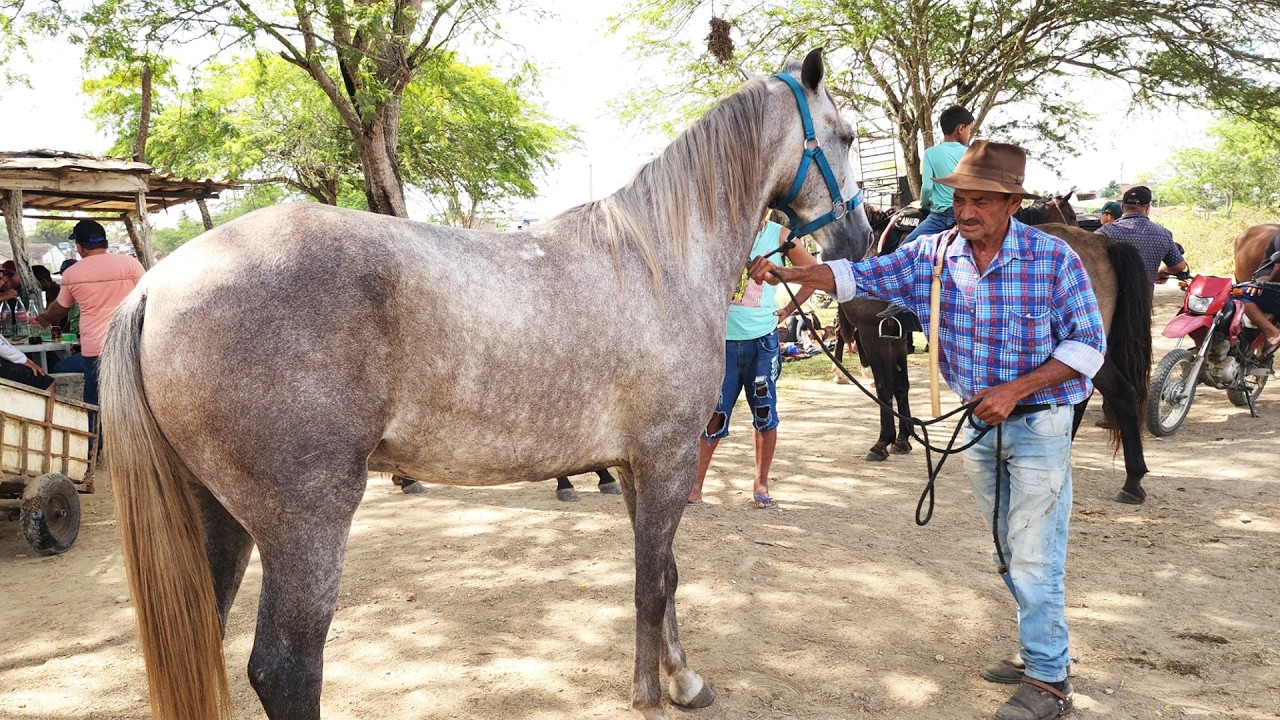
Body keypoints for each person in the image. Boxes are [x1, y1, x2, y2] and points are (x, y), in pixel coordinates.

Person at [750, 141, 1105, 720]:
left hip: (1039, 423)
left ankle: (1048, 679)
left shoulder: (1053, 259)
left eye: (981, 202)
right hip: (978, 427)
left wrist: (1015, 389)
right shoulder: (935, 255)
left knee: (1036, 552)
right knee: (1004, 547)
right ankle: (1039, 645)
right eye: (961, 199)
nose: (967, 212)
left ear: (1011, 203)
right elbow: (860, 273)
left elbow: (1089, 347)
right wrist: (791, 271)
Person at [686, 215, 819, 510]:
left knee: (763, 410)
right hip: (721, 343)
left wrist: (787, 310)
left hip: (762, 342)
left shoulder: (780, 236)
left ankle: (761, 483)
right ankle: (695, 486)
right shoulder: (722, 228)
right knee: (715, 413)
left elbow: (812, 273)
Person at [35, 220, 146, 426]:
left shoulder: (73, 273)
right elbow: (147, 296)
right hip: (133, 343)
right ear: (104, 242)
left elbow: (61, 308)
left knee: (95, 402)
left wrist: (44, 319)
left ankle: (93, 453)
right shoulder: (131, 264)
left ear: (79, 247)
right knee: (137, 400)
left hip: (96, 348)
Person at [902, 105, 974, 244]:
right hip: (966, 213)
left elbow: (928, 187)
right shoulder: (970, 153)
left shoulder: (931, 153)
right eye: (969, 130)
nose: (969, 134)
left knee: (905, 247)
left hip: (941, 217)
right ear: (960, 129)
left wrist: (922, 205)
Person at [1095, 185, 1187, 285]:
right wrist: (1163, 271)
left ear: (1122, 207)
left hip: (1111, 298)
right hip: (1145, 299)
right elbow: (1179, 266)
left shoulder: (1105, 232)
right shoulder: (1163, 233)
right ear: (1148, 208)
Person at [1245, 227, 1280, 353]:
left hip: (1274, 289)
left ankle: (1272, 333)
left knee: (1237, 297)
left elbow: (1279, 266)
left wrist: (1267, 282)